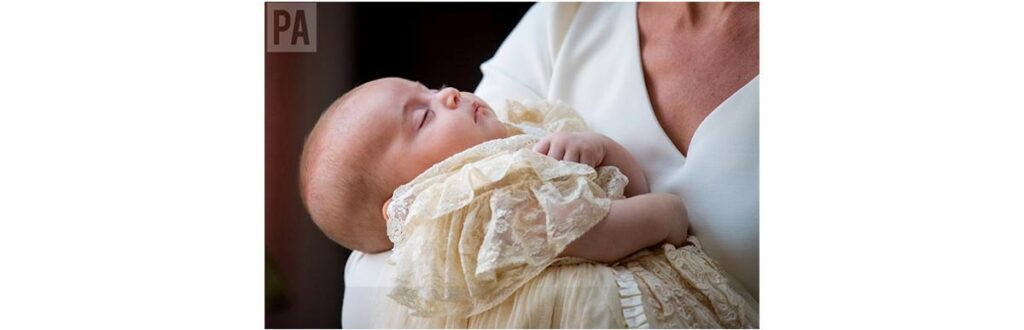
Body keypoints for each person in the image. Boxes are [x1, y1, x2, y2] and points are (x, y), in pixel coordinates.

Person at [343, 2, 759, 327]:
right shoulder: (470, 203)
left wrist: (601, 149)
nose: (449, 93)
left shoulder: (516, 134)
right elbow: (587, 232)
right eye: (423, 117)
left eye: (431, 90)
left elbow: (630, 186)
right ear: (405, 203)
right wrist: (664, 214)